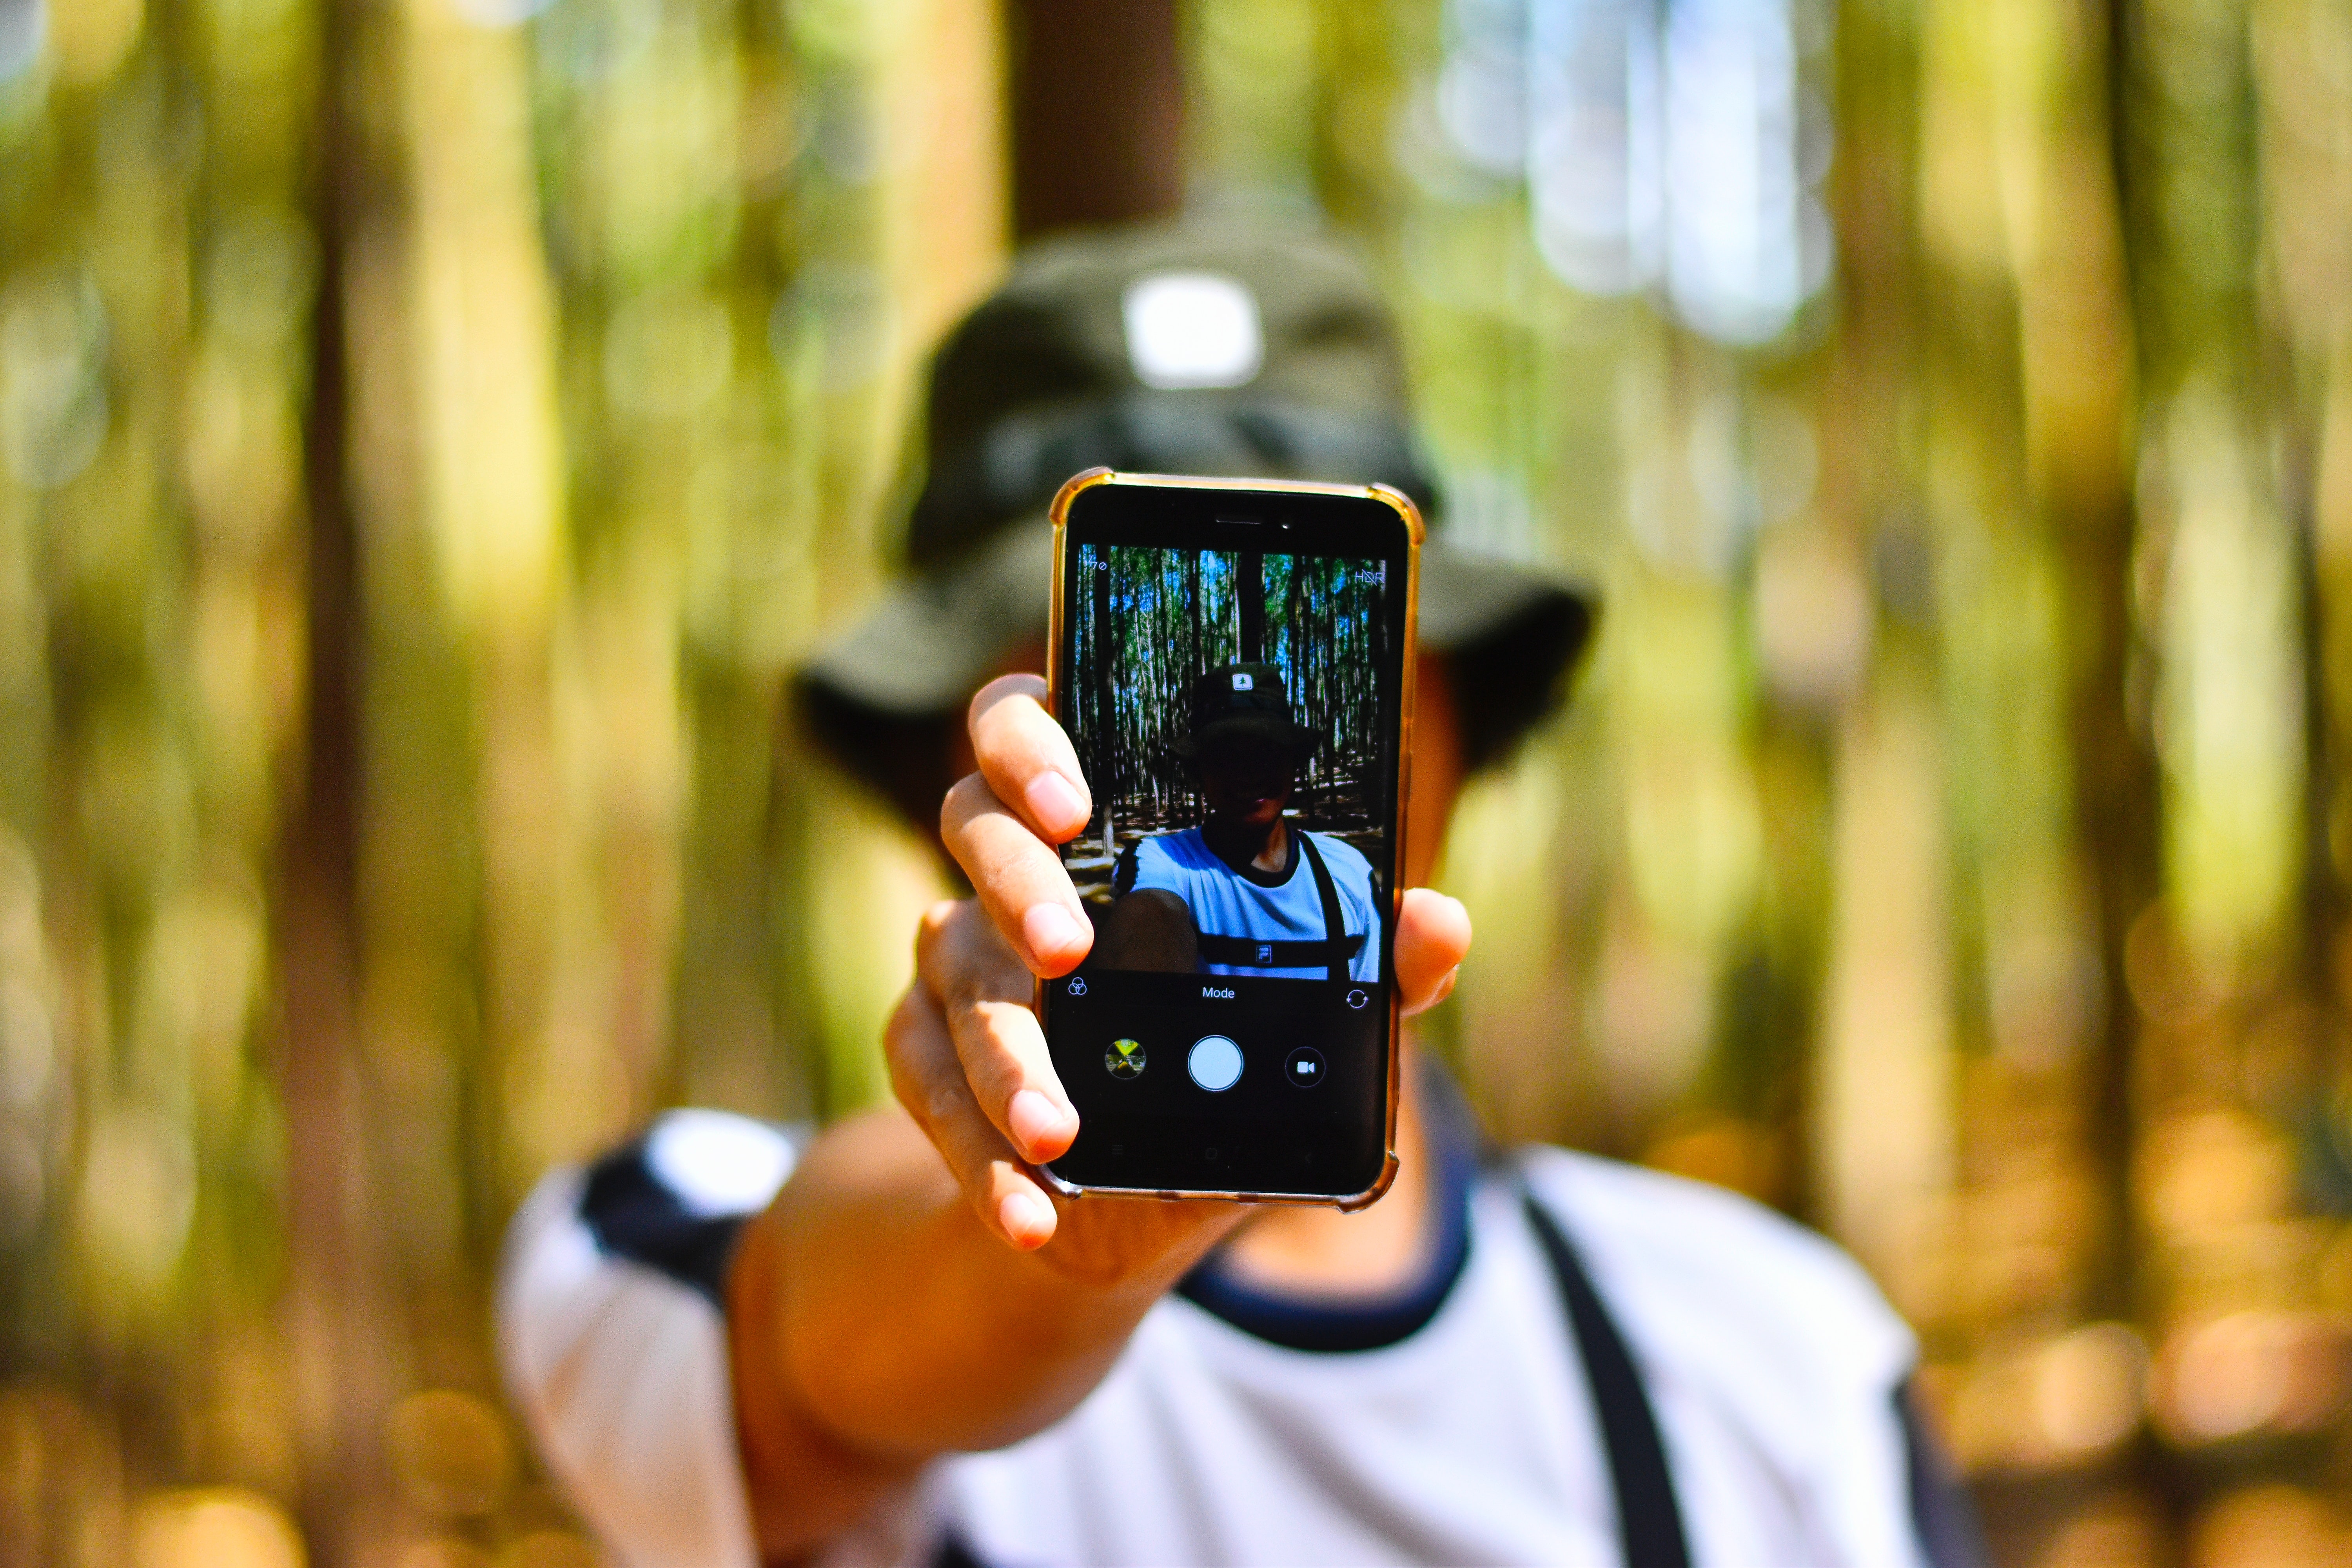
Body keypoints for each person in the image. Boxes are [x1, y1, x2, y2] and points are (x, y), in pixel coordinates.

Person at [497, 224, 1985, 1568]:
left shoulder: (1772, 1359)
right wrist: (1041, 1244)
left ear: (1440, 725)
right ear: (955, 760)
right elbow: (800, 1357)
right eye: (1057, 674)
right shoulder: (650, 1229)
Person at [1098, 662, 1383, 982]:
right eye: (1226, 756)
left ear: (1294, 764)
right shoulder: (1163, 863)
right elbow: (1149, 918)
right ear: (1199, 771)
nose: (1249, 773)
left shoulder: (1348, 873)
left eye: (1267, 752)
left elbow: (1365, 1005)